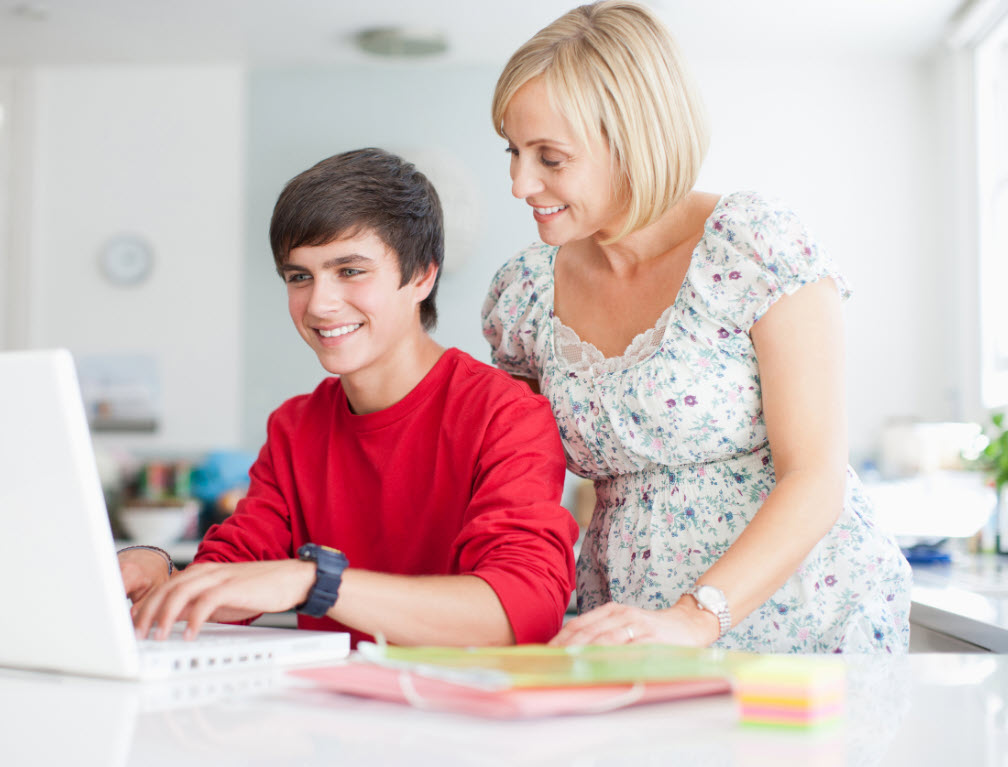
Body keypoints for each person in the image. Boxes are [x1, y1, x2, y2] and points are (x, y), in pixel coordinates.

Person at [482, 1, 912, 652]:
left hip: (794, 619)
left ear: (633, 140)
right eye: (514, 152)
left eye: (550, 157)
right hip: (626, 621)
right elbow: (513, 484)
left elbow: (815, 474)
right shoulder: (526, 294)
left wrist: (696, 614)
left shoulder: (753, 246)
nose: (520, 183)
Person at [121, 148, 578, 647]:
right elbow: (235, 572)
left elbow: (521, 610)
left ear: (423, 276)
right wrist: (161, 570)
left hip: (462, 713)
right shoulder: (296, 428)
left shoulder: (506, 417)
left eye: (350, 271)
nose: (319, 303)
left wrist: (316, 581)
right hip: (334, 716)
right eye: (300, 277)